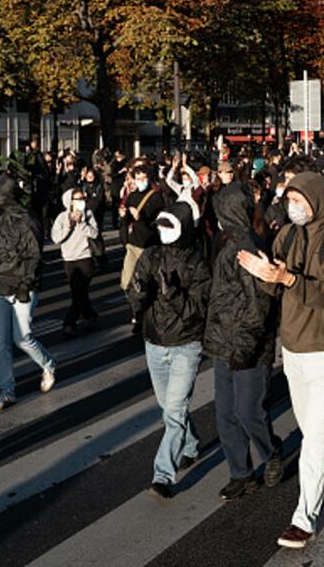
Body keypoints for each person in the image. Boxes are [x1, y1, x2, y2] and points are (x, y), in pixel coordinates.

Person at [238, 171, 324, 550]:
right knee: (310, 426)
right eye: (289, 201)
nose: (293, 207)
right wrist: (264, 276)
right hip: (291, 343)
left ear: (317, 201)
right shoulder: (286, 235)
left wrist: (289, 280)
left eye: (300, 201)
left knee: (315, 436)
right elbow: (275, 282)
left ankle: (304, 517)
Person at [203, 183, 284, 501]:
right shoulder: (227, 242)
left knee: (248, 410)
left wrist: (245, 348)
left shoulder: (247, 246)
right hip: (224, 343)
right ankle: (241, 473)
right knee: (225, 413)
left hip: (247, 347)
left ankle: (271, 450)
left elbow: (258, 307)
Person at [127, 201, 211, 499]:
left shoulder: (197, 263)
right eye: (160, 225)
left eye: (169, 226)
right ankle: (190, 445)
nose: (163, 231)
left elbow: (200, 308)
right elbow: (135, 295)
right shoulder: (150, 256)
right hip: (153, 343)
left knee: (174, 412)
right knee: (168, 408)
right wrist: (137, 294)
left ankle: (163, 474)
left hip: (185, 346)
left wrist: (174, 295)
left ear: (183, 229)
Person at [0, 174, 56, 412]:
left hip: (21, 288)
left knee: (23, 338)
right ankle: (6, 391)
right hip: (0, 286)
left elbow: (35, 255)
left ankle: (48, 363)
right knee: (1, 343)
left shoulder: (28, 219)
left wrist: (26, 286)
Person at [120, 165, 164, 330]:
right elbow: (125, 223)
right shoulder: (131, 196)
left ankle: (145, 314)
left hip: (150, 245)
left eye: (144, 178)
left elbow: (158, 222)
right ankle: (136, 309)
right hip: (133, 244)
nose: (141, 182)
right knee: (126, 282)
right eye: (138, 179)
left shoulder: (155, 198)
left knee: (147, 283)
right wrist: (124, 217)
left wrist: (141, 218)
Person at [51, 188, 99, 337]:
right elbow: (56, 238)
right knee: (79, 292)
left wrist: (81, 224)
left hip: (85, 258)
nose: (81, 202)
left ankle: (69, 324)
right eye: (77, 199)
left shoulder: (88, 215)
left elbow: (95, 233)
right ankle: (90, 315)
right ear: (70, 202)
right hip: (69, 260)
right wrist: (68, 226)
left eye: (82, 198)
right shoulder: (61, 217)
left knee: (78, 293)